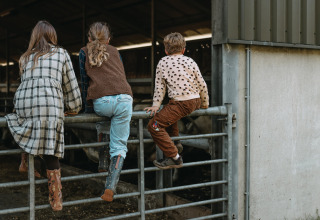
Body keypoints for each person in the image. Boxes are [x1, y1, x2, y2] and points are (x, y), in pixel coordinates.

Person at [5, 20, 82, 211]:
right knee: (50, 147)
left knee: (25, 120)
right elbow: (70, 85)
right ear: (52, 36)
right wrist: (74, 107)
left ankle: (25, 159)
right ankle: (56, 198)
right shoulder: (61, 53)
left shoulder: (24, 58)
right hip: (48, 103)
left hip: (23, 102)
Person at [79, 22, 133, 202]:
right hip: (125, 99)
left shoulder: (84, 52)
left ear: (89, 38)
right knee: (119, 146)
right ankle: (110, 187)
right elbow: (121, 75)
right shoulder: (116, 51)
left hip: (102, 102)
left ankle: (102, 162)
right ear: (109, 39)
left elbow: (85, 82)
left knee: (102, 120)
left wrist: (88, 110)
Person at [144, 32, 209, 170]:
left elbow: (160, 87)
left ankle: (175, 157)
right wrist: (205, 103)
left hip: (181, 103)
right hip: (195, 100)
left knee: (153, 126)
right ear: (184, 49)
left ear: (166, 50)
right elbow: (202, 84)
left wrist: (155, 105)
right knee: (169, 111)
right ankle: (177, 142)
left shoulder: (163, 62)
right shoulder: (190, 61)